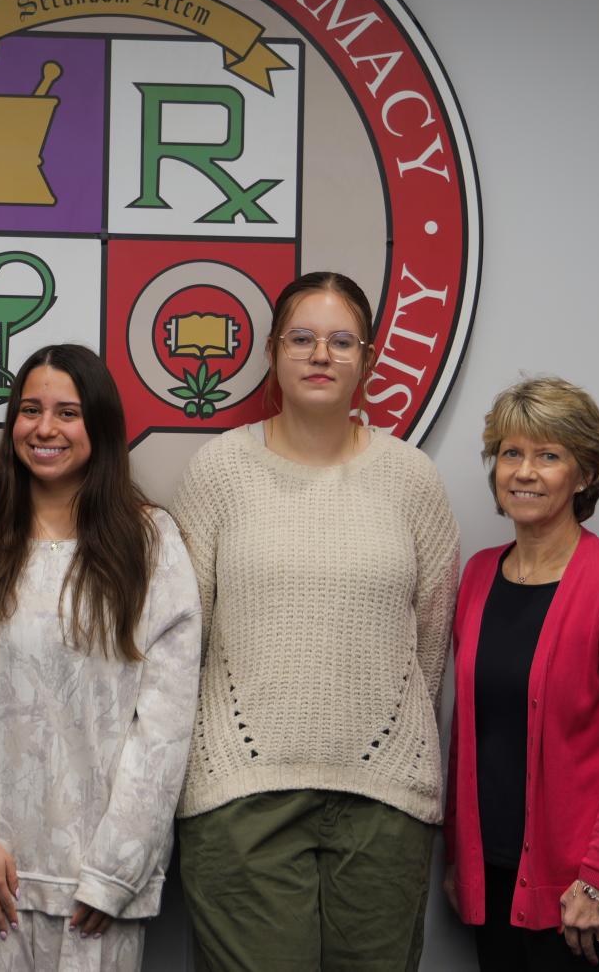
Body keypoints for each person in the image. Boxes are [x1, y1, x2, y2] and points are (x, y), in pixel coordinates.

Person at [171, 271, 461, 971]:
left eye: (340, 340)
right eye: (302, 338)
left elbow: (429, 640)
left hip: (385, 799)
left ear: (367, 356)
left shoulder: (411, 478)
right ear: (272, 352)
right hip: (241, 796)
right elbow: (185, 640)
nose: (320, 354)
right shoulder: (218, 473)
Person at [0, 342, 201, 971]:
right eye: (30, 410)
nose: (45, 428)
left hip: (92, 887)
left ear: (102, 427)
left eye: (68, 412)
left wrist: (118, 869)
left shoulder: (152, 546)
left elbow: (166, 725)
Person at [443, 377, 599, 970]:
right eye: (511, 453)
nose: (525, 472)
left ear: (585, 475)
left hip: (582, 899)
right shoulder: (479, 576)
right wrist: (459, 859)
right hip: (491, 880)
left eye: (548, 455)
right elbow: (470, 733)